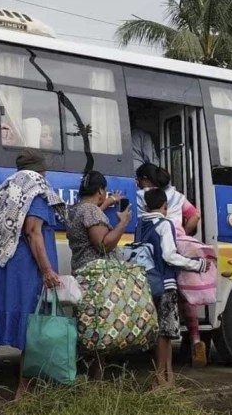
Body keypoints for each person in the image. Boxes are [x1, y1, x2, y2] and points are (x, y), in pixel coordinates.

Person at [0, 149, 64, 401]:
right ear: (42, 170)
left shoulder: (9, 190)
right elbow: (33, 232)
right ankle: (23, 394)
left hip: (2, 265)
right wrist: (47, 269)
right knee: (33, 327)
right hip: (26, 269)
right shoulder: (36, 191)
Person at [135, 163, 207, 366]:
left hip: (159, 246)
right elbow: (196, 215)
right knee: (187, 295)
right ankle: (195, 339)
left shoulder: (144, 196)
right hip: (180, 244)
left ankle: (160, 368)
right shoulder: (177, 195)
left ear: (146, 180)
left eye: (139, 179)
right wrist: (185, 231)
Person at [66, 170, 131, 380]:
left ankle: (86, 377)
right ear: (100, 190)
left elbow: (91, 218)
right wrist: (122, 223)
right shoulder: (90, 212)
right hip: (97, 279)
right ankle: (96, 381)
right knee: (100, 328)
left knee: (88, 326)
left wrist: (108, 202)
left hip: (81, 272)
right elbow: (103, 244)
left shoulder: (77, 210)